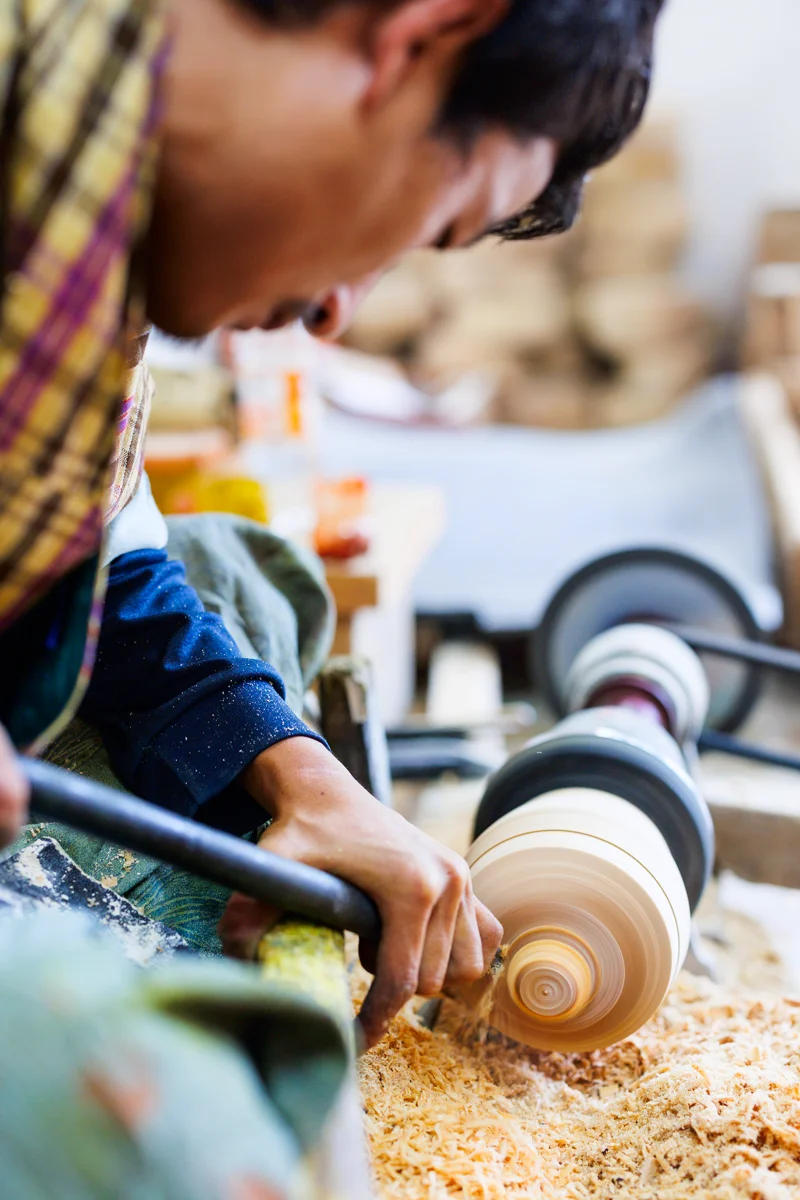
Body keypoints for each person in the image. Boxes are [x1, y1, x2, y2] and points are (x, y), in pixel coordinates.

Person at [0, 0, 663, 1049]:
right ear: (418, 35)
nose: (338, 311)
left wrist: (298, 770)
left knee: (238, 569)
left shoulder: (105, 236)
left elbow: (102, 550)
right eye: (414, 231)